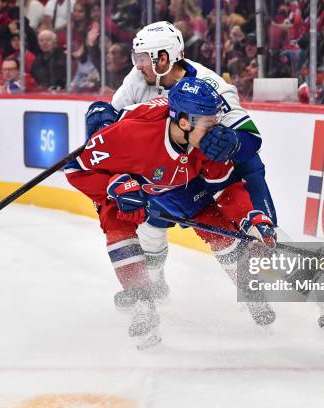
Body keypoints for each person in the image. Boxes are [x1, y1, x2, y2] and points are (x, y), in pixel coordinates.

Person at [65, 78, 279, 347]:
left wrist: (251, 218)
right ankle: (141, 300)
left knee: (216, 225)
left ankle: (249, 288)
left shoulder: (207, 143)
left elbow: (226, 188)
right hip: (129, 179)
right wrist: (112, 186)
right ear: (185, 122)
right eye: (208, 122)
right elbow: (76, 168)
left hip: (173, 182)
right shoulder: (130, 135)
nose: (215, 129)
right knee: (117, 221)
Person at [85, 21, 278, 314]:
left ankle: (311, 290)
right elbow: (113, 130)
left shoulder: (213, 86)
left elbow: (251, 140)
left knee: (259, 233)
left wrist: (232, 143)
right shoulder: (139, 81)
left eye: (142, 59)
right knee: (151, 229)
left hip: (220, 168)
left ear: (163, 58)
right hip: (170, 171)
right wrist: (102, 123)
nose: (137, 66)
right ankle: (155, 285)